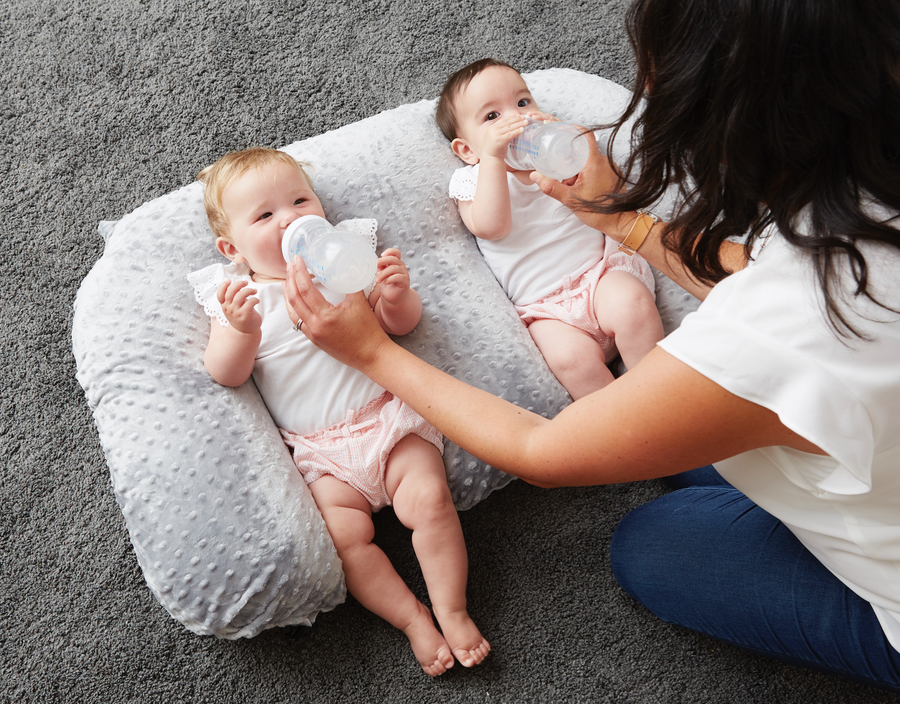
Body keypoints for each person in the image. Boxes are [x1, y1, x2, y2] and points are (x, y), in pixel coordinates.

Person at [282, 0, 900, 692]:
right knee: (694, 459)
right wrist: (627, 224)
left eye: (662, 93)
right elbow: (758, 275)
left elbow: (543, 453)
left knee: (650, 546)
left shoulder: (777, 334)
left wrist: (372, 354)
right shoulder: (860, 208)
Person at [187, 147, 490, 676]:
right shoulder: (240, 298)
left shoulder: (344, 263)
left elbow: (401, 327)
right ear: (231, 248)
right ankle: (413, 620)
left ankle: (452, 607)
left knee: (431, 501)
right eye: (265, 215)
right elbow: (225, 373)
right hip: (323, 454)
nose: (291, 219)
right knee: (346, 542)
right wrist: (241, 333)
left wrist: (395, 294)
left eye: (300, 200)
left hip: (386, 420)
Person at [436, 58, 664, 399]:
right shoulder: (472, 180)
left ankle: (661, 398)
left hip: (600, 274)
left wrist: (570, 143)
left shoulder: (555, 159)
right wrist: (495, 159)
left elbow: (605, 189)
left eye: (523, 102)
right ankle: (626, 426)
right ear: (467, 150)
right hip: (546, 311)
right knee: (571, 361)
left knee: (632, 305)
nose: (516, 118)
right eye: (492, 117)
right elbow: (491, 227)